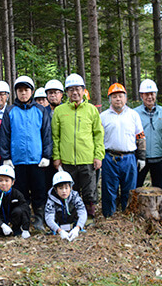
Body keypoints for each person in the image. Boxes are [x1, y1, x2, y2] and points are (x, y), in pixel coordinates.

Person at [0, 75, 52, 230]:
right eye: (20, 90)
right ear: (16, 92)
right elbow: (5, 135)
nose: (23, 93)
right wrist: (6, 157)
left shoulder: (40, 110)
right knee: (20, 192)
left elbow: (46, 134)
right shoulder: (10, 111)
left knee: (39, 191)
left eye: (26, 90)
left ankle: (39, 219)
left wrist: (46, 155)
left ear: (32, 91)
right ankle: (23, 219)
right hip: (17, 161)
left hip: (37, 161)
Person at [51, 73, 104, 220]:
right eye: (71, 89)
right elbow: (55, 136)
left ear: (83, 90)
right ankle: (71, 217)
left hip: (87, 159)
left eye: (78, 89)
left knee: (89, 191)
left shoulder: (92, 110)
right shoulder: (60, 111)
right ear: (66, 92)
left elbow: (98, 135)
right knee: (68, 190)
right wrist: (56, 157)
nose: (75, 92)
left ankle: (89, 217)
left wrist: (98, 155)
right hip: (67, 160)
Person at [100, 83, 146, 218]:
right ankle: (109, 216)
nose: (118, 99)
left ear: (125, 98)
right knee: (109, 190)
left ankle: (127, 215)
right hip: (109, 157)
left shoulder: (133, 115)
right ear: (110, 99)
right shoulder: (103, 116)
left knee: (129, 189)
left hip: (129, 158)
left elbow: (141, 136)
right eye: (114, 96)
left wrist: (142, 157)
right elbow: (98, 138)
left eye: (120, 96)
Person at [134, 79, 162, 189]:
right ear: (141, 95)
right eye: (146, 94)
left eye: (152, 94)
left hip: (159, 156)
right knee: (136, 187)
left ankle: (158, 207)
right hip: (140, 158)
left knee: (158, 188)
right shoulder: (134, 113)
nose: (149, 97)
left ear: (156, 94)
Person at [0, 165, 31, 238]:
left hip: (14, 220)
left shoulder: (17, 194)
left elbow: (25, 209)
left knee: (19, 210)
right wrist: (2, 225)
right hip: (0, 224)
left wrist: (26, 228)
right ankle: (2, 230)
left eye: (7, 180)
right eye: (0, 180)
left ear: (13, 182)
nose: (3, 183)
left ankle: (16, 229)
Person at [45, 170, 86, 241]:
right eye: (60, 188)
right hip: (58, 225)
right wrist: (59, 231)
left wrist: (77, 228)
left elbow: (82, 212)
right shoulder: (51, 199)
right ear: (55, 189)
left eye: (66, 188)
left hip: (73, 224)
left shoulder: (75, 196)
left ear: (71, 187)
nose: (64, 191)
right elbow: (49, 218)